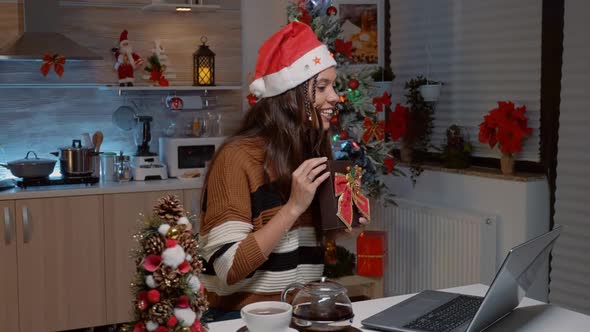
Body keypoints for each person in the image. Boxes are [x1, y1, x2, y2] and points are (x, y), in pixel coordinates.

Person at [199, 21, 340, 322]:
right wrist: (293, 207)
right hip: (241, 319)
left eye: (334, 85)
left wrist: (340, 217)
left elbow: (299, 250)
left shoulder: (310, 151)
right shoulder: (237, 158)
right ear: (292, 96)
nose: (335, 97)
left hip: (300, 314)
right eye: (323, 87)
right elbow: (229, 269)